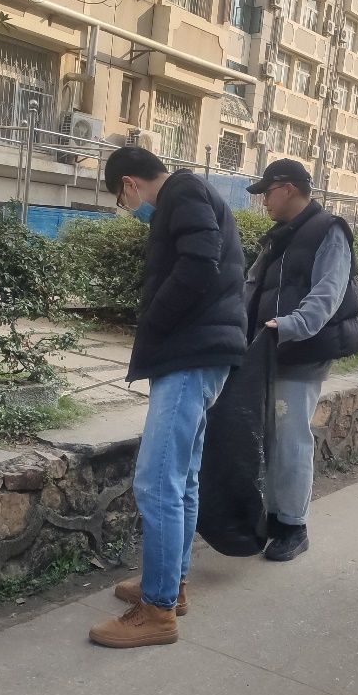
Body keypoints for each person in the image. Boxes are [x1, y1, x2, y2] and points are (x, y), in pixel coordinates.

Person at [90, 147, 247, 648]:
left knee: (156, 481)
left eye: (121, 200)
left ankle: (156, 611)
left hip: (189, 355)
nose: (127, 209)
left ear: (129, 184)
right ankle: (171, 586)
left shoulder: (182, 191)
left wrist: (154, 320)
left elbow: (199, 264)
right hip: (201, 354)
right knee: (181, 479)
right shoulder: (192, 193)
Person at [243, 159, 358, 561]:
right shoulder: (281, 235)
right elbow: (252, 287)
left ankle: (293, 527)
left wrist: (290, 325)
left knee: (290, 438)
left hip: (302, 350)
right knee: (271, 437)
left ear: (288, 188)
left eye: (266, 192)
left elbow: (327, 293)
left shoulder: (328, 230)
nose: (263, 201)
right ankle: (274, 519)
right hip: (270, 348)